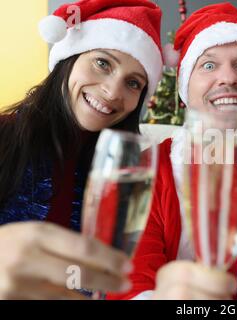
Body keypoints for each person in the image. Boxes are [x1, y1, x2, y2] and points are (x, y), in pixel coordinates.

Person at [109, 3, 237, 300]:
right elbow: (128, 284)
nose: (228, 78)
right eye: (209, 65)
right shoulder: (141, 170)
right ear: (187, 88)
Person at [0, 0, 164, 299]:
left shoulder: (128, 173)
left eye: (133, 83)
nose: (113, 92)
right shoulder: (4, 135)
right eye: (103, 63)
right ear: (69, 59)